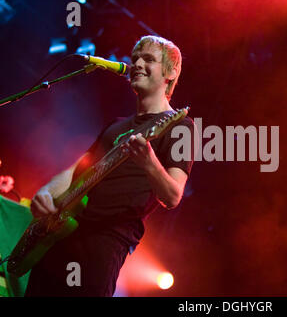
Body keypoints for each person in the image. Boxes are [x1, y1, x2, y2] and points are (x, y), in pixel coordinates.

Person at [24, 35, 194, 296]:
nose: (137, 63)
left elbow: (172, 196)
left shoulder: (180, 126)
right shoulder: (115, 125)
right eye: (135, 57)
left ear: (170, 73)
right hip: (60, 234)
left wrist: (149, 162)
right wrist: (47, 192)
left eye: (148, 59)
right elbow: (76, 170)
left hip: (104, 242)